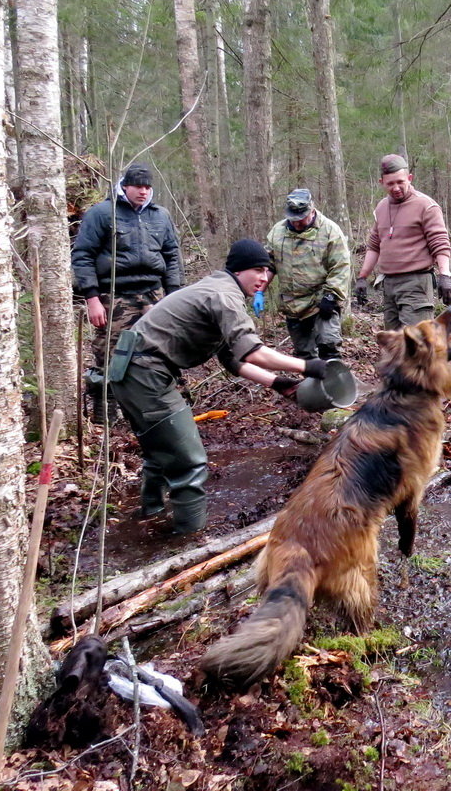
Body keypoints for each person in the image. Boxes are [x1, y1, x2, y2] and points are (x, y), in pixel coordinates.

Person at [109, 239, 328, 535]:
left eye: (267, 272)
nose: (264, 278)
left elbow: (234, 361)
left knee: (160, 451)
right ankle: (187, 541)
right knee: (189, 461)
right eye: (258, 270)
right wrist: (308, 366)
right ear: (239, 270)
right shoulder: (224, 296)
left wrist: (279, 383)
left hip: (130, 371)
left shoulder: (217, 289)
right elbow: (254, 352)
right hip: (144, 373)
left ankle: (150, 517)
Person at [71, 162, 182, 424]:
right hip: (114, 295)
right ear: (125, 186)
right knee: (109, 354)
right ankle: (105, 417)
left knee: (158, 351)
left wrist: (174, 295)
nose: (143, 192)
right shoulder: (101, 214)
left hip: (154, 294)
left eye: (147, 187)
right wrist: (92, 298)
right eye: (137, 187)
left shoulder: (160, 216)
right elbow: (83, 255)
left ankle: (153, 408)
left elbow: (172, 256)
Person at [355, 154, 451, 329]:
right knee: (393, 343)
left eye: (400, 182)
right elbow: (374, 245)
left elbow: (440, 243)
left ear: (409, 178)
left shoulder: (426, 206)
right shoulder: (381, 207)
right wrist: (362, 277)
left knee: (416, 343)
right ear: (381, 182)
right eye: (390, 183)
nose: (396, 188)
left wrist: (445, 276)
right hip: (389, 284)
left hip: (416, 283)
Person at [265, 188, 351, 360]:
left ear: (312, 210)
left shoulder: (329, 230)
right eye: (293, 218)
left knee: (329, 346)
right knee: (304, 354)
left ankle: (335, 385)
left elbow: (340, 266)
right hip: (292, 304)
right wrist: (259, 290)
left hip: (322, 300)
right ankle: (312, 386)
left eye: (301, 218)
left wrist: (331, 296)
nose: (297, 223)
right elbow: (268, 264)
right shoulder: (277, 232)